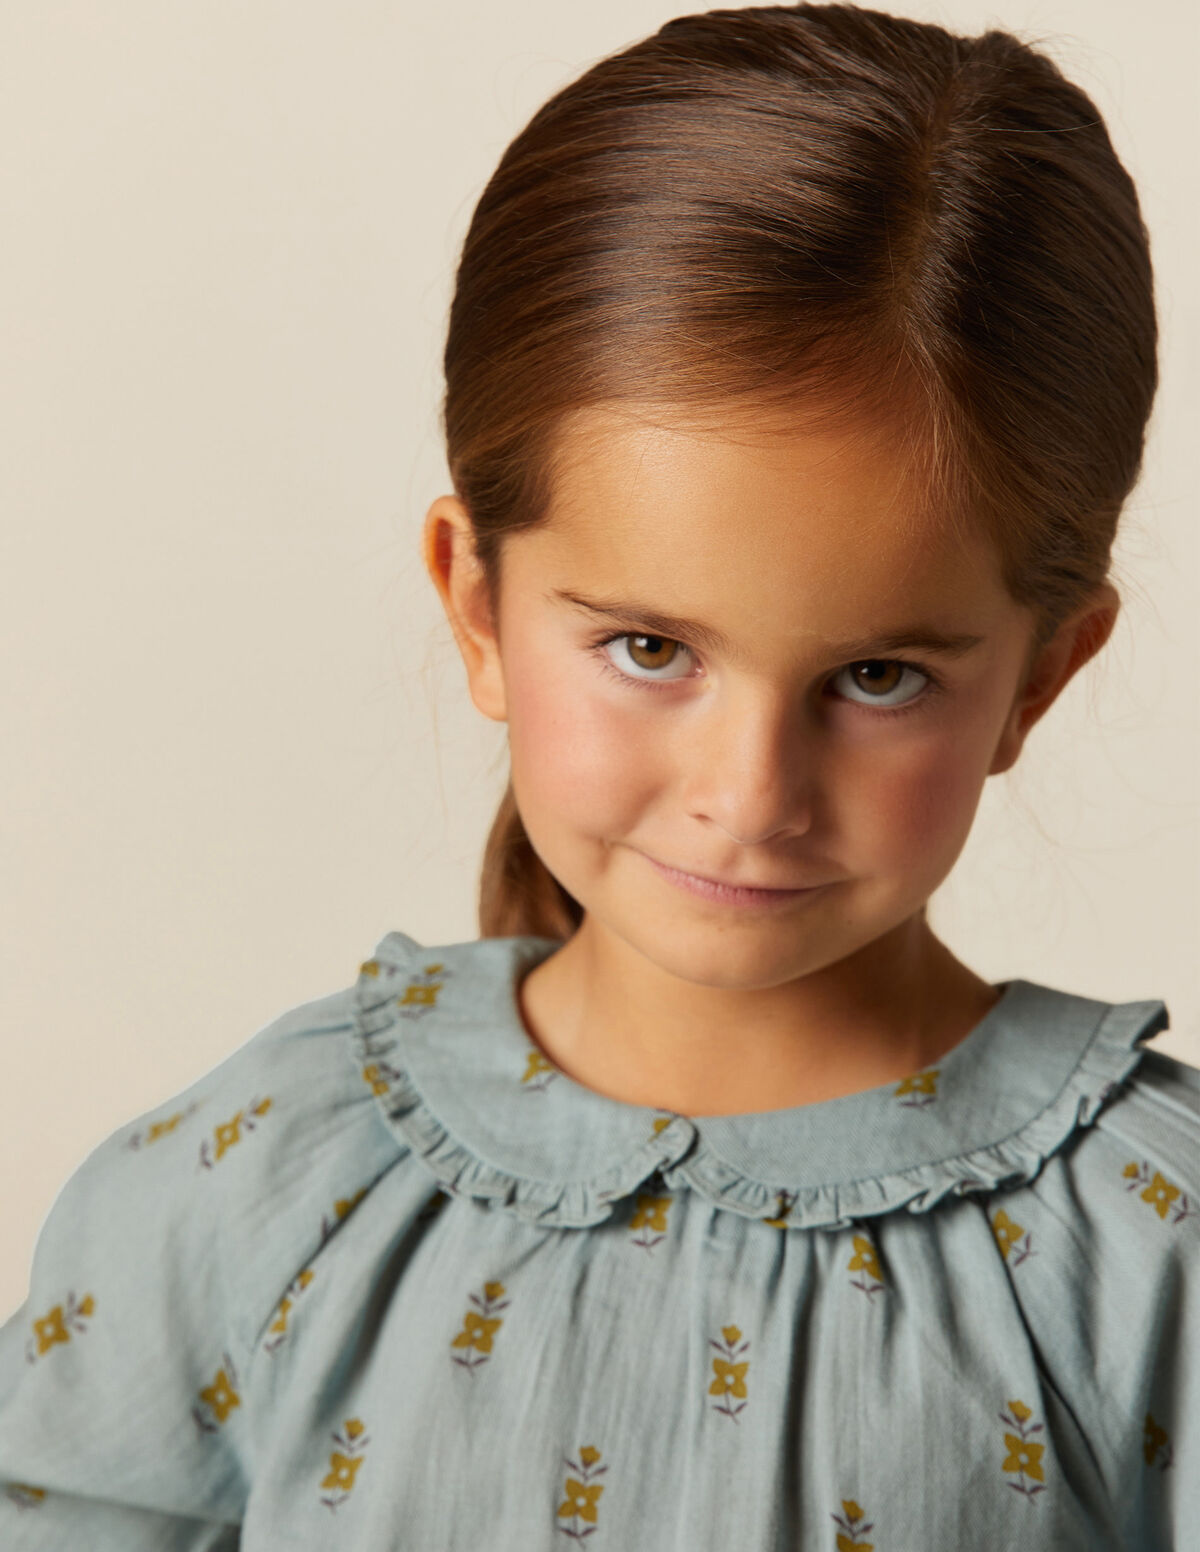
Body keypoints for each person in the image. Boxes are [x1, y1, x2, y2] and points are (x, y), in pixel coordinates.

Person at [1, 3, 1194, 1547]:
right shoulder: (251, 1193)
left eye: (879, 677)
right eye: (648, 649)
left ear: (1041, 671)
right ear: (478, 605)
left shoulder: (1149, 1261)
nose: (749, 791)